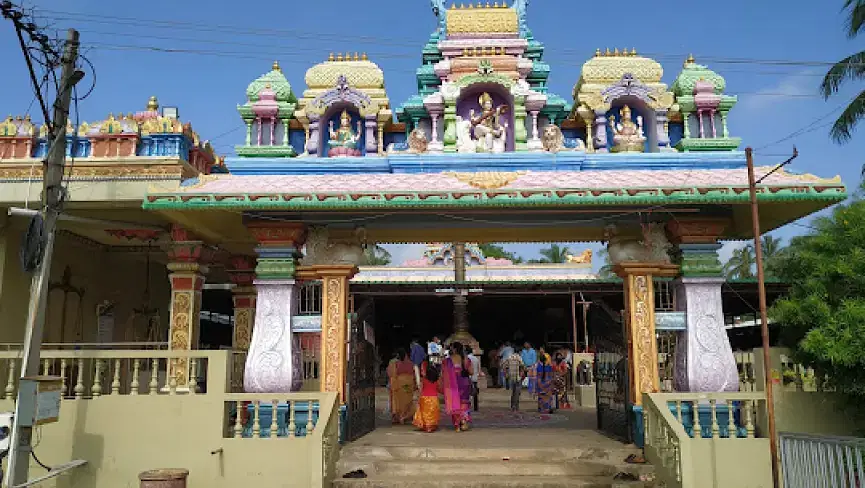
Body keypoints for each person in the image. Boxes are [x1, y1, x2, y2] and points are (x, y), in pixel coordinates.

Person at [441, 342, 473, 432]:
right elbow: (471, 372)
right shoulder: (466, 359)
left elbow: (443, 374)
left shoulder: (447, 361)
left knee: (455, 403)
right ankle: (464, 421)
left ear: (454, 349)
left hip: (452, 385)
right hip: (464, 383)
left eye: (451, 348)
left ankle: (457, 424)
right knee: (464, 403)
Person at [386, 348, 416, 425]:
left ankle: (399, 417)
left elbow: (392, 375)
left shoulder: (396, 364)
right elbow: (413, 375)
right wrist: (415, 384)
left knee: (399, 401)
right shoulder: (411, 364)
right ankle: (404, 416)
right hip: (408, 384)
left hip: (399, 384)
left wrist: (393, 385)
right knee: (408, 400)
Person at [412, 361, 442, 433]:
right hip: (434, 399)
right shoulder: (437, 381)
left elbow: (420, 388)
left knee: (424, 413)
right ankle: (430, 426)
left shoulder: (424, 380)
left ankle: (425, 425)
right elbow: (439, 389)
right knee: (432, 413)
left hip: (424, 398)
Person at [467, 348, 481, 412]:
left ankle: (467, 406)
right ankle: (476, 407)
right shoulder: (476, 358)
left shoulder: (466, 358)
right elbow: (479, 368)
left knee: (467, 392)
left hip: (468, 377)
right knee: (475, 392)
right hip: (475, 377)